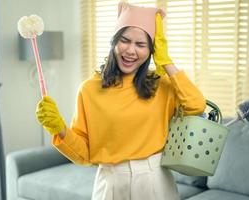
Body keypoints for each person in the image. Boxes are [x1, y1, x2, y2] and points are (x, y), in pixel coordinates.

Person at [36, 2, 206, 200]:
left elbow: (196, 105)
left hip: (155, 181)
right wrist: (59, 129)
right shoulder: (89, 90)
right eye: (125, 40)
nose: (131, 51)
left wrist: (165, 61)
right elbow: (84, 154)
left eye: (141, 45)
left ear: (152, 50)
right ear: (114, 42)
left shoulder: (162, 85)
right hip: (110, 183)